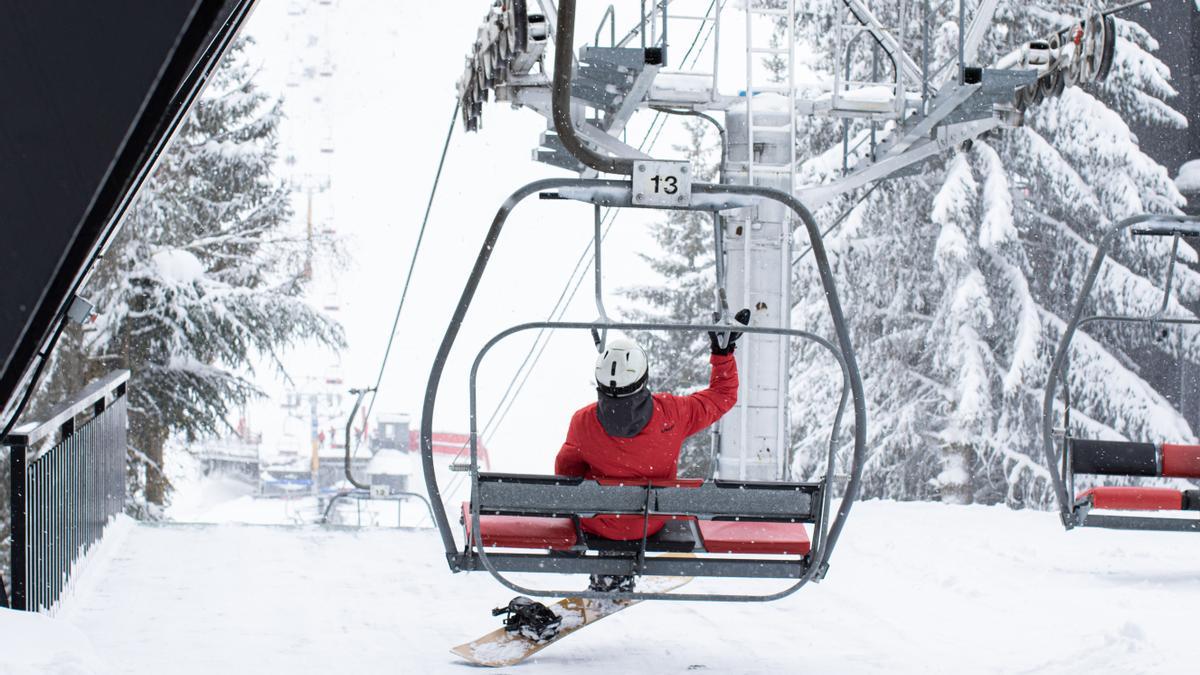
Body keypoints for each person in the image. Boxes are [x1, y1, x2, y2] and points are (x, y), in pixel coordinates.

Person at [555, 309, 750, 591]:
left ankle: (609, 573)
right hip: (650, 523)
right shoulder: (672, 414)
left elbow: (567, 475)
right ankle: (617, 573)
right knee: (635, 514)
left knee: (599, 511)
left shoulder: (583, 422)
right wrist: (723, 354)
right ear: (643, 378)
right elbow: (723, 396)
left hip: (600, 524)